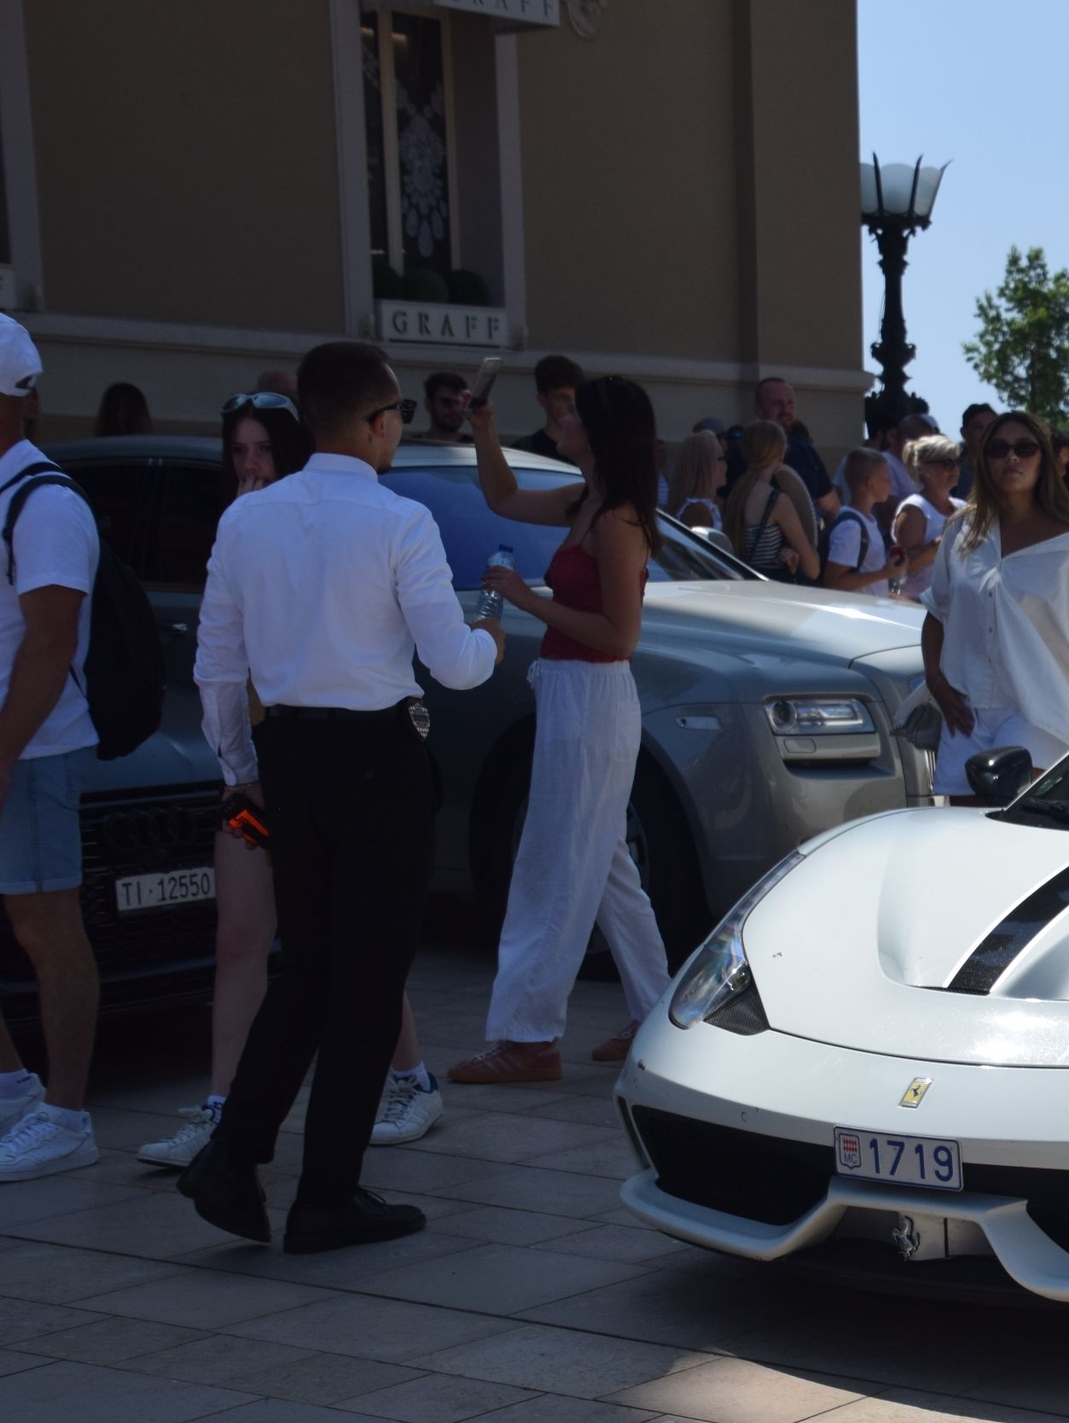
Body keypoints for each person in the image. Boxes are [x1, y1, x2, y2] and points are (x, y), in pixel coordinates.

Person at [178, 340, 503, 1250]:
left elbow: (215, 666)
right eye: (396, 412)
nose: (400, 425)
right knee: (365, 977)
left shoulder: (247, 521)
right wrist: (492, 640)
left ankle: (234, 1154)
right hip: (376, 758)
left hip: (289, 755)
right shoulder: (399, 521)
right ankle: (326, 1190)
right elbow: (456, 665)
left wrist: (241, 767)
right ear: (372, 421)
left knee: (311, 965)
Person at [137, 395, 443, 1169]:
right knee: (249, 938)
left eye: (261, 450)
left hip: (305, 768)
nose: (249, 466)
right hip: (264, 778)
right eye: (236, 451)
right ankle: (226, 1114)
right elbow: (218, 666)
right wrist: (239, 771)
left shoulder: (314, 525)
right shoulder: (247, 529)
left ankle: (406, 1079)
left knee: (349, 948)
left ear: (297, 447)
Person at [449, 374, 670, 1085]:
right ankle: (659, 1012)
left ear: (599, 431)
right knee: (604, 867)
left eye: (574, 414)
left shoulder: (616, 519)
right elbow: (503, 498)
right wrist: (484, 430)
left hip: (593, 699)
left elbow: (619, 635)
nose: (562, 420)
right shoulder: (588, 501)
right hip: (580, 698)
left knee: (551, 866)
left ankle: (529, 1034)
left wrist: (524, 600)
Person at [0, 316, 102, 1182]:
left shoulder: (46, 500)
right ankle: (11, 1091)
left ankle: (66, 1116)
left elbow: (49, 641)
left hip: (31, 750)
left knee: (45, 925)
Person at [922, 412, 1069, 799]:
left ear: (1044, 460)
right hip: (967, 713)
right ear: (983, 460)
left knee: (1015, 824)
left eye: (1024, 448)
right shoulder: (961, 532)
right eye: (998, 449)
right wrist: (936, 684)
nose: (1012, 458)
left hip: (1037, 709)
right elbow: (937, 613)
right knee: (963, 832)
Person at [724, 422, 821, 581]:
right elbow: (812, 569)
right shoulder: (776, 500)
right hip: (771, 591)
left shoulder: (737, 493)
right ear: (780, 455)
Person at [745, 376, 833, 503]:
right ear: (758, 410)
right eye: (777, 403)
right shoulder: (743, 452)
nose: (786, 410)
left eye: (790, 403)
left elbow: (831, 506)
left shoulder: (806, 452)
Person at [823, 448, 898, 595]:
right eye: (885, 477)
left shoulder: (868, 521)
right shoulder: (851, 527)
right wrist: (885, 573)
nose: (890, 482)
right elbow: (834, 582)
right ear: (871, 483)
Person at [892, 433, 964, 585]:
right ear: (923, 468)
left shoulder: (962, 507)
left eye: (957, 462)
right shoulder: (915, 509)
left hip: (953, 603)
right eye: (947, 464)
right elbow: (906, 566)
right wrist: (941, 542)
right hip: (917, 603)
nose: (956, 469)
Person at [511, 354, 582, 458]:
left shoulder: (594, 453)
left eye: (577, 398)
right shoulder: (524, 452)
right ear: (543, 400)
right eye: (563, 398)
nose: (572, 406)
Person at [665, 428, 725, 534]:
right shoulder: (698, 512)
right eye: (722, 458)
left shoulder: (704, 507)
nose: (726, 465)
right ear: (706, 465)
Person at [951, 403, 995, 502]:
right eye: (979, 427)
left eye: (991, 427)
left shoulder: (1005, 468)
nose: (986, 433)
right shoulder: (950, 469)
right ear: (964, 433)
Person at [416, 371, 469, 444]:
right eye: (447, 402)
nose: (456, 409)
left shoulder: (477, 449)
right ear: (428, 404)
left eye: (460, 403)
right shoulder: (409, 448)